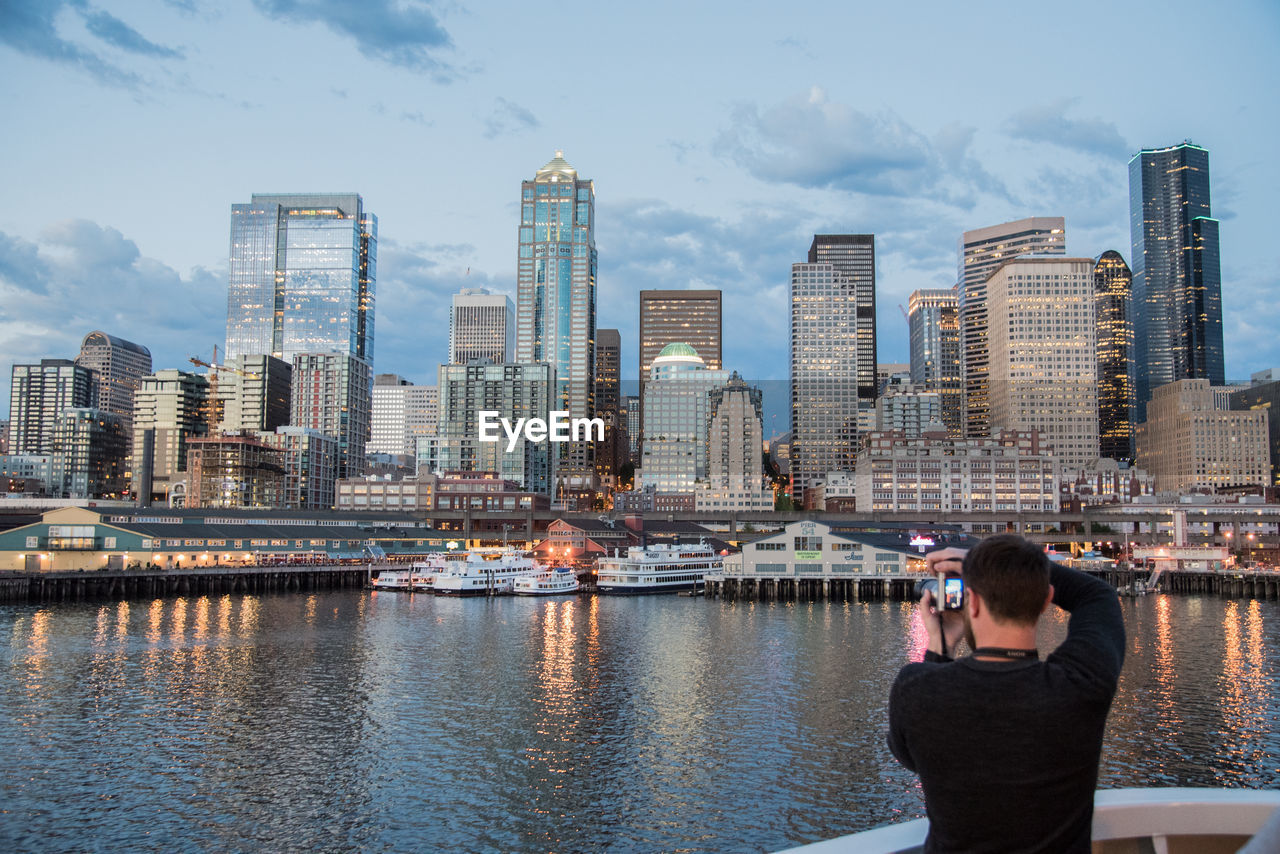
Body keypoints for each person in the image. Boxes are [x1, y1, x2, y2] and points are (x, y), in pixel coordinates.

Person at [888, 534, 1126, 853]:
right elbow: (1097, 595)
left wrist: (940, 646)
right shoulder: (1080, 684)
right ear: (1046, 599)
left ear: (970, 602)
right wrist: (989, 564)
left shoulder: (916, 689)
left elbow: (913, 758)